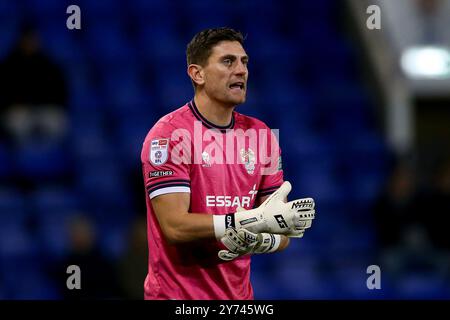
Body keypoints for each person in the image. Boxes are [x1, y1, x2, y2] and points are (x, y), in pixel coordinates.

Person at [140, 28, 316, 300]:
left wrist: (262, 241)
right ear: (197, 74)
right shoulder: (169, 135)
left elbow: (279, 231)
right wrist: (243, 220)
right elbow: (174, 226)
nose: (241, 70)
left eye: (244, 62)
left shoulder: (261, 136)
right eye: (228, 61)